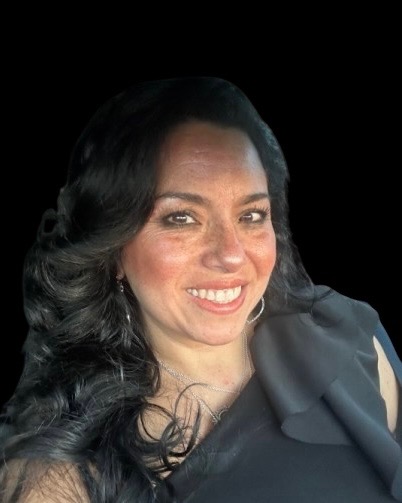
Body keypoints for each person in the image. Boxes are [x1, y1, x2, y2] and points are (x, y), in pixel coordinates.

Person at [0, 76, 400, 502]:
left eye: (251, 215)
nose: (230, 255)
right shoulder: (62, 476)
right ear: (113, 249)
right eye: (182, 219)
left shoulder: (350, 341)